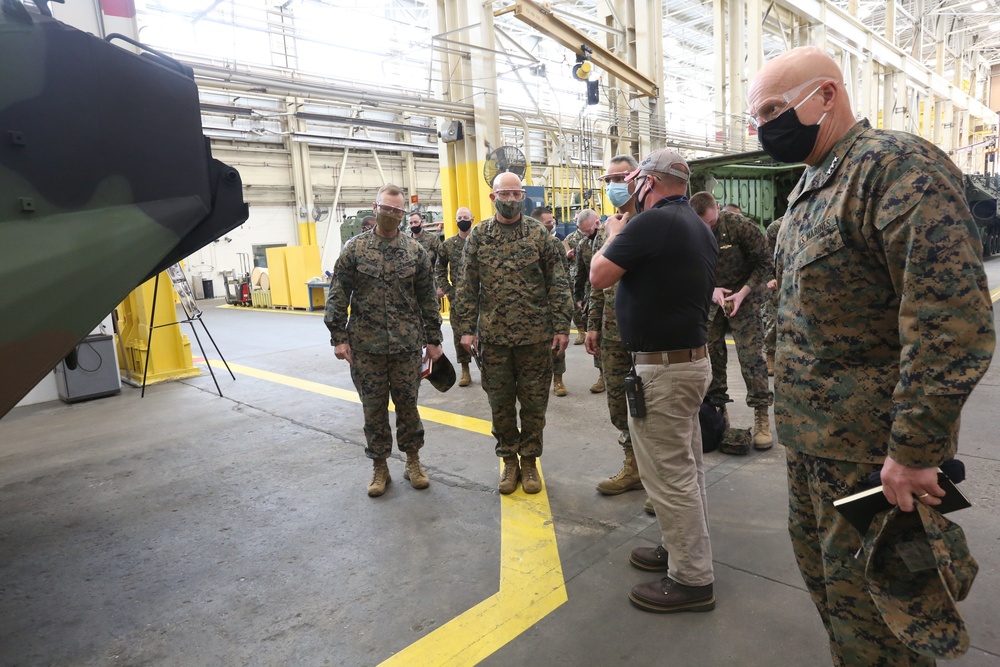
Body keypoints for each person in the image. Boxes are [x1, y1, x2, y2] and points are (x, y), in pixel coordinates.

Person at [749, 46, 994, 664]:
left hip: (874, 460)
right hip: (813, 447)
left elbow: (949, 321)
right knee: (841, 609)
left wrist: (914, 452)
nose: (765, 125)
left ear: (826, 96)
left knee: (885, 626)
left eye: (775, 108)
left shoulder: (894, 169)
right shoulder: (810, 186)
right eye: (758, 115)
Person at [590, 149, 719, 613]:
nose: (627, 189)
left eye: (632, 181)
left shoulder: (649, 224)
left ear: (647, 182)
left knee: (669, 475)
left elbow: (598, 275)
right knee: (686, 467)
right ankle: (680, 547)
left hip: (664, 370)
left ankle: (691, 578)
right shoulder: (696, 226)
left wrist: (613, 235)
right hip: (687, 364)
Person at [454, 173, 572, 494]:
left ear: (523, 197)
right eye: (503, 195)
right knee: (500, 403)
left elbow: (557, 282)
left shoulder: (538, 234)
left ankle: (530, 461)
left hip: (535, 338)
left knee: (534, 404)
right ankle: (509, 459)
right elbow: (466, 285)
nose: (509, 200)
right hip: (493, 339)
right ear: (492, 198)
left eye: (515, 194)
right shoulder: (479, 236)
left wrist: (562, 326)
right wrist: (466, 329)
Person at [325, 184, 445, 497]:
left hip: (407, 346)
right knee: (373, 409)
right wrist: (338, 336)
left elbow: (428, 299)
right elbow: (338, 292)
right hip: (366, 346)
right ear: (375, 207)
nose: (391, 214)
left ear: (404, 214)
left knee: (408, 406)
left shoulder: (415, 252)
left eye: (397, 210)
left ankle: (413, 462)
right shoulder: (355, 248)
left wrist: (434, 339)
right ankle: (380, 466)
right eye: (386, 208)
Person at [689, 191, 774, 450]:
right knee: (712, 355)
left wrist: (743, 292)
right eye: (703, 225)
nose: (708, 229)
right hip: (712, 299)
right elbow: (687, 268)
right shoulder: (688, 231)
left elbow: (764, 263)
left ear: (717, 210)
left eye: (712, 224)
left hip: (744, 297)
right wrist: (710, 289)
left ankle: (761, 416)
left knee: (750, 357)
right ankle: (717, 412)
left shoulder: (741, 226)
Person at [587, 154, 644, 496]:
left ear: (637, 179)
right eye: (607, 180)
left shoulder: (651, 224)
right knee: (618, 405)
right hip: (611, 333)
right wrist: (592, 325)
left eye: (619, 178)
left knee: (651, 407)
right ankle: (633, 466)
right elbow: (597, 282)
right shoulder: (609, 228)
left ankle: (658, 477)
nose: (612, 186)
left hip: (645, 335)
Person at [532, 205, 571, 396]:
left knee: (557, 344)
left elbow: (563, 275)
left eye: (552, 222)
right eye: (548, 222)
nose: (551, 225)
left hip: (552, 303)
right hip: (532, 306)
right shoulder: (526, 243)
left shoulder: (556, 244)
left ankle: (558, 380)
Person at [437, 206, 475, 387]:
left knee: (486, 334)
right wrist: (448, 290)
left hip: (482, 296)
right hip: (458, 298)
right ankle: (465, 370)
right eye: (459, 217)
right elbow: (440, 269)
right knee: (459, 335)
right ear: (455, 220)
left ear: (472, 219)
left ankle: (490, 370)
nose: (462, 220)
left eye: (465, 217)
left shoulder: (480, 241)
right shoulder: (448, 245)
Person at [572, 209, 604, 393]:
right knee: (595, 334)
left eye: (588, 230)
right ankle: (602, 375)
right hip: (593, 297)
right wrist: (577, 297)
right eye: (582, 231)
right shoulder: (583, 245)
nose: (586, 234)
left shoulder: (612, 240)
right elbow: (580, 273)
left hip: (615, 296)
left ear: (597, 224)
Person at [762, 216, 783, 376]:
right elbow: (765, 257)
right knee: (773, 320)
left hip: (798, 279)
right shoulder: (776, 227)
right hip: (777, 281)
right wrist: (770, 278)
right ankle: (771, 356)